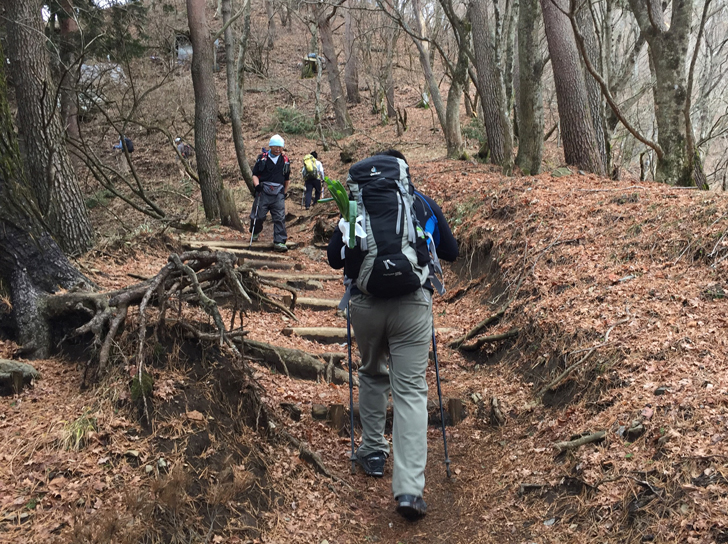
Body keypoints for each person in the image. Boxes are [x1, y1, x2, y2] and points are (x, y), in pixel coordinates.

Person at [327, 150, 458, 520]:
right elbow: (452, 251)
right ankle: (409, 491)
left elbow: (335, 258)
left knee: (370, 373)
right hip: (412, 305)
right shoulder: (419, 202)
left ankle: (371, 452)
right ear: (403, 175)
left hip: (366, 306)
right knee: (412, 390)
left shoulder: (355, 205)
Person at [250, 134, 291, 252]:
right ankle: (255, 231)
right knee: (258, 215)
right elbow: (255, 174)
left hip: (278, 192)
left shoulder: (285, 160)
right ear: (270, 146)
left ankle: (279, 241)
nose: (278, 149)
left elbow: (287, 178)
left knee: (279, 217)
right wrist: (257, 186)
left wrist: (284, 192)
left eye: (280, 147)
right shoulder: (262, 158)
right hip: (263, 191)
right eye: (275, 147)